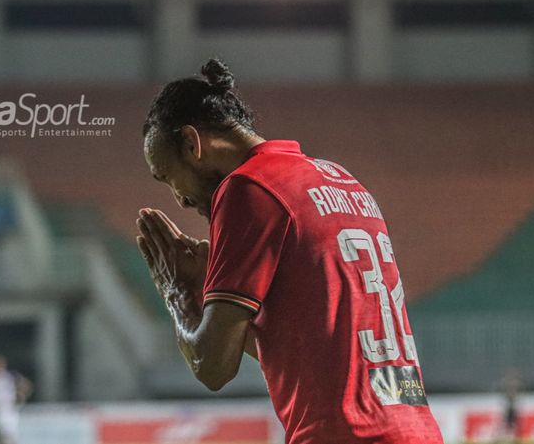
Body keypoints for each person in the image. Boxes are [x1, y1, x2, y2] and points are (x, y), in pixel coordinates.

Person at [136, 58, 444, 444]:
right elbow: (299, 351)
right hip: (414, 429)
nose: (178, 198)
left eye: (167, 176)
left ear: (191, 143)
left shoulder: (249, 189)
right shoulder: (342, 181)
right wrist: (208, 299)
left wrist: (178, 293)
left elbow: (212, 368)